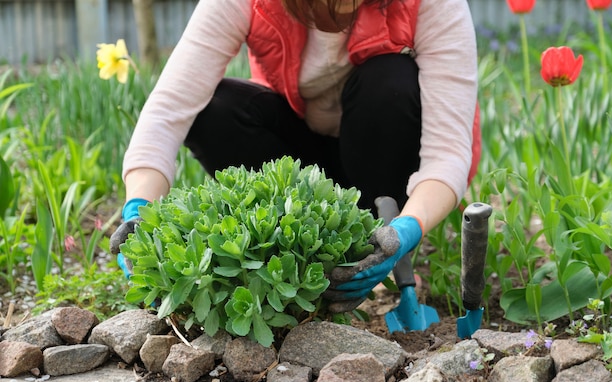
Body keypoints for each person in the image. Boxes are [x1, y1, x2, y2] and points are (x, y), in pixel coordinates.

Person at [110, 0, 481, 313]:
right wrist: (137, 208)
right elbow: (168, 111)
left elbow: (447, 154)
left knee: (389, 81)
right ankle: (289, 246)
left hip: (387, 157)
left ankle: (374, 240)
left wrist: (408, 228)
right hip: (308, 163)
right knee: (215, 110)